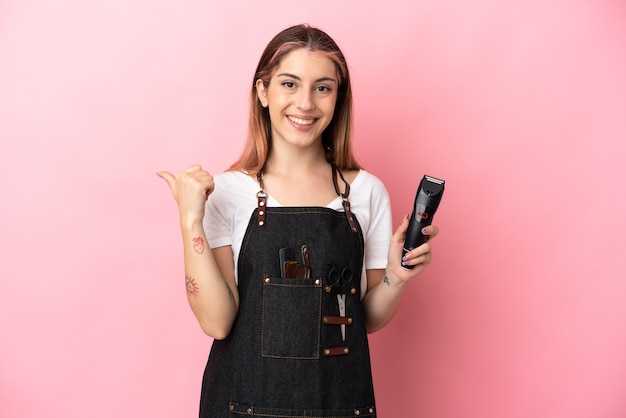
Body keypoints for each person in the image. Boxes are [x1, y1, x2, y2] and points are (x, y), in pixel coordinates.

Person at [158, 23, 438, 418]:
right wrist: (191, 219)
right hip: (241, 407)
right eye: (290, 84)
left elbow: (367, 320)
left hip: (339, 406)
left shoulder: (367, 192)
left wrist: (395, 276)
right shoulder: (227, 193)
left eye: (322, 87)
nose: (305, 103)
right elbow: (218, 322)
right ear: (263, 91)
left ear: (338, 98)